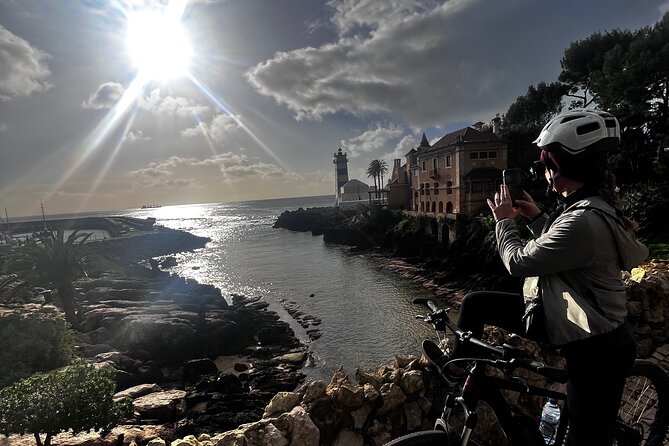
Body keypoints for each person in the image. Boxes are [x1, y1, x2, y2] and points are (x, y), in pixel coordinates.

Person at [452, 109, 648, 445]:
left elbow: (517, 262)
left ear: (559, 168)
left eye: (545, 165)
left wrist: (503, 221)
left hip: (597, 351)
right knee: (475, 303)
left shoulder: (581, 220)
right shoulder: (585, 209)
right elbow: (571, 254)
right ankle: (460, 371)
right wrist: (538, 218)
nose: (541, 172)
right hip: (573, 324)